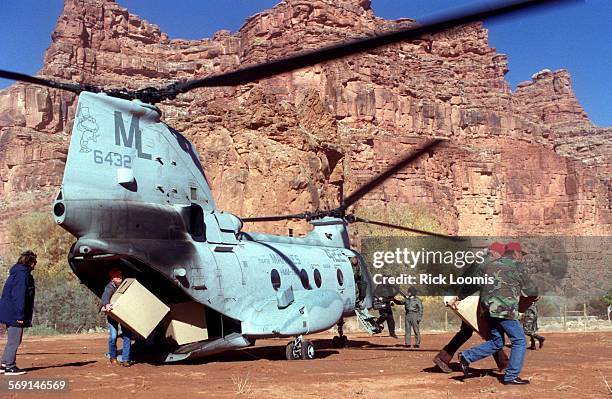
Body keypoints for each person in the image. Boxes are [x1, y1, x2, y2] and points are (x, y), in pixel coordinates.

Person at [458, 241, 537, 385]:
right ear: (515, 253)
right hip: (504, 310)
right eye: (521, 254)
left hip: (487, 310)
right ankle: (511, 376)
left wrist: (460, 297)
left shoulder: (489, 265)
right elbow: (532, 290)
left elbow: (473, 282)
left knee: (497, 341)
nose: (522, 258)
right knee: (520, 340)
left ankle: (466, 356)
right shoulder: (517, 267)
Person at [433, 243, 509, 373]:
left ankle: (443, 357)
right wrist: (460, 297)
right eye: (500, 255)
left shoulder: (481, 262)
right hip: (470, 301)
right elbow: (473, 281)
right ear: (494, 253)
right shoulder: (487, 263)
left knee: (468, 332)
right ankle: (504, 364)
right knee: (489, 332)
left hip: (468, 300)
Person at [0, 250, 37, 376]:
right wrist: (20, 316)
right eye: (35, 262)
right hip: (14, 313)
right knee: (15, 340)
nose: (35, 265)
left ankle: (4, 364)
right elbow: (19, 296)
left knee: (12, 340)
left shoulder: (16, 273)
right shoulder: (22, 275)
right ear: (30, 262)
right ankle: (10, 366)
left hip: (9, 312)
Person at [101, 268, 133, 367]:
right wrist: (106, 304)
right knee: (113, 336)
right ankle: (113, 357)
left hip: (124, 314)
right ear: (112, 279)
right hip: (113, 315)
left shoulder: (125, 286)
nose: (119, 277)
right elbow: (105, 297)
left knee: (127, 336)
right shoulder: (109, 287)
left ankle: (126, 360)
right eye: (116, 276)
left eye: (120, 276)